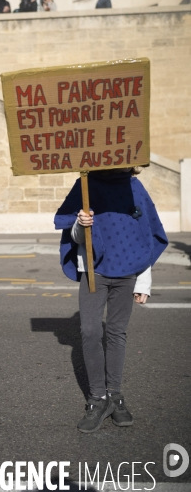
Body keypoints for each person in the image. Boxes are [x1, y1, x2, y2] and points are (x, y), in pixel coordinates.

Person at [54, 167, 168, 434]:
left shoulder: (134, 187)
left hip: (128, 273)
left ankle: (115, 396)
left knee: (117, 333)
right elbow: (75, 237)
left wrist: (143, 282)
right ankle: (98, 398)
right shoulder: (85, 184)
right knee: (90, 331)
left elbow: (144, 237)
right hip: (95, 272)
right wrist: (81, 225)